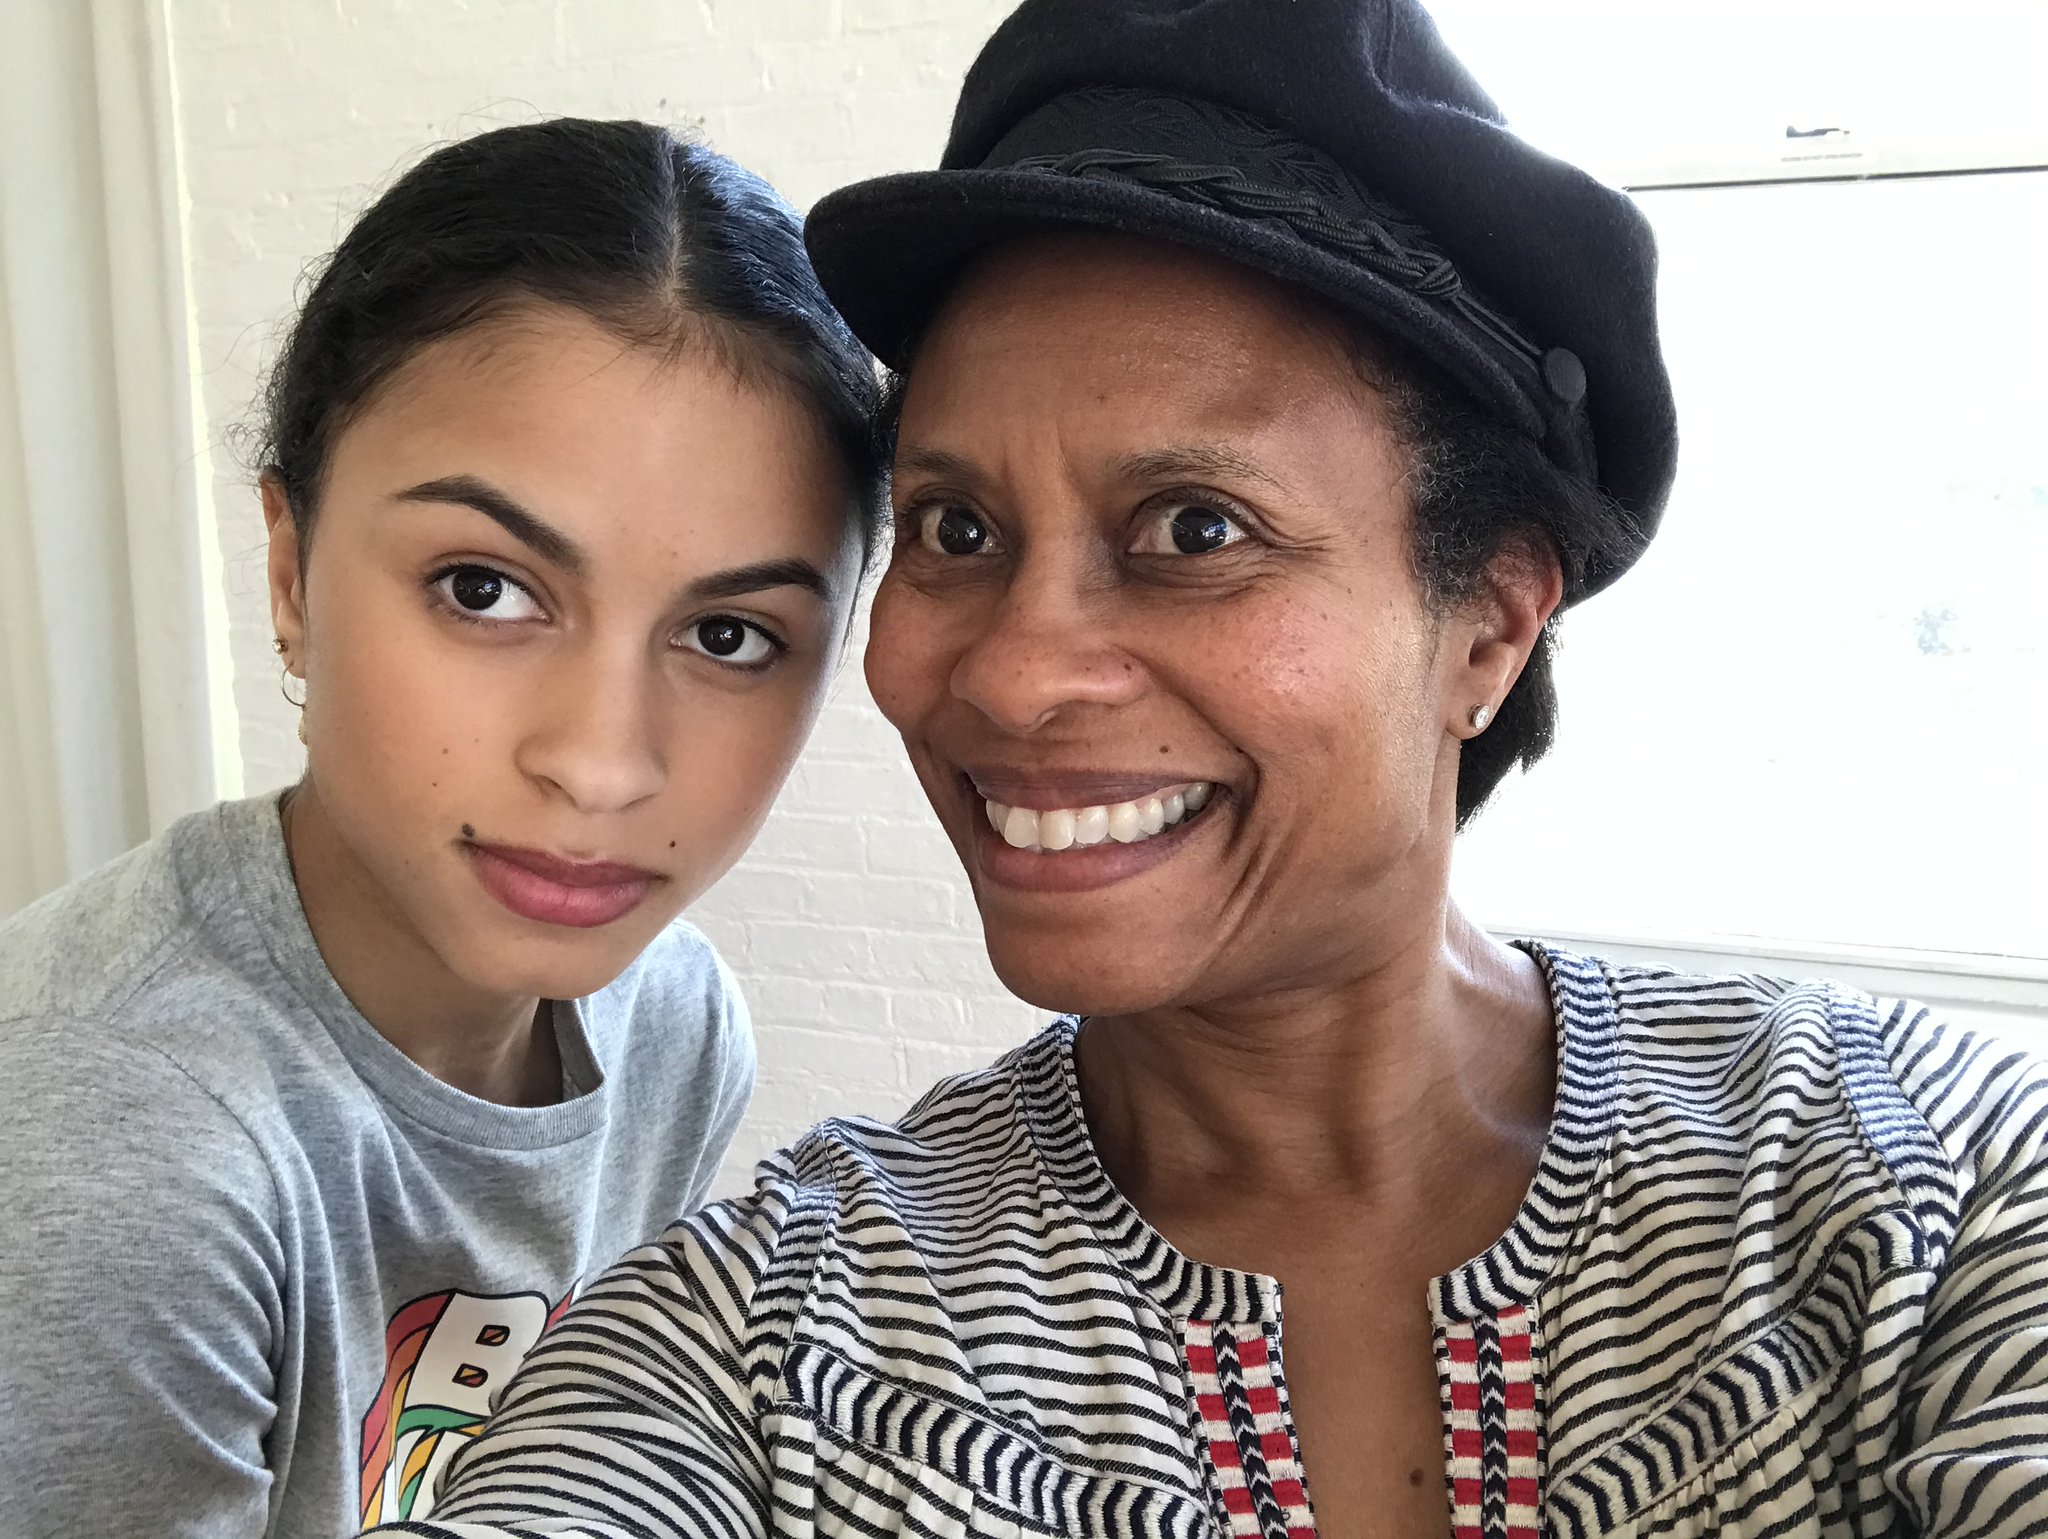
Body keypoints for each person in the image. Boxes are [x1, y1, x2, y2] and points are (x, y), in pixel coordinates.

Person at [364, 6, 2048, 1538]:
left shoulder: (1930, 1196)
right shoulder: (776, 1346)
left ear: (1489, 625)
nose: (1013, 672)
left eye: (1194, 529)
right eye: (957, 530)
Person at [0, 118, 882, 1538]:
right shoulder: (111, 1145)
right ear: (292, 574)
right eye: (485, 588)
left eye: (729, 634)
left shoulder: (671, 1024)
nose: (601, 766)